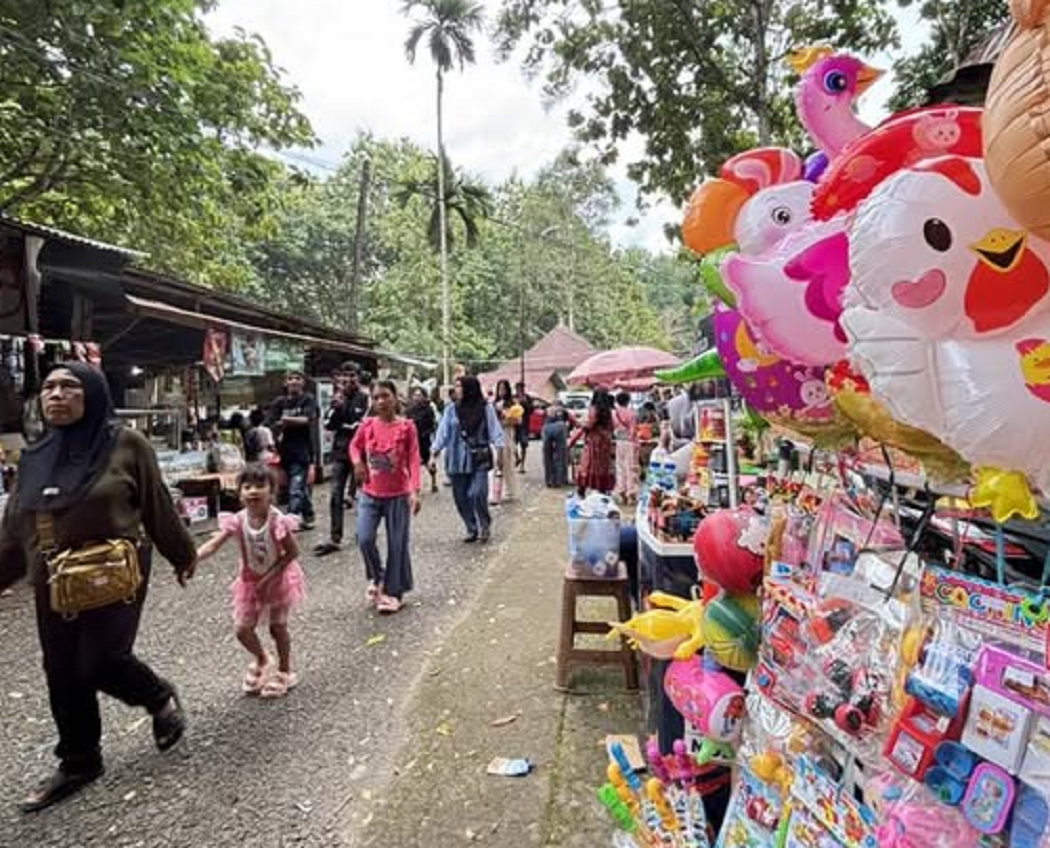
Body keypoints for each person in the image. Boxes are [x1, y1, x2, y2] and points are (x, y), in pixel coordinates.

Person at [0, 363, 195, 812]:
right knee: (62, 669)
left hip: (115, 568)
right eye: (49, 388)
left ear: (91, 393)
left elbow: (156, 503)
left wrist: (181, 552)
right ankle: (79, 760)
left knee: (100, 660)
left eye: (70, 387)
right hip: (54, 576)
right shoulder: (35, 456)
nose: (56, 395)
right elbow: (15, 529)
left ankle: (158, 696)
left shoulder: (127, 444)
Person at [195, 463, 305, 698]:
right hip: (250, 582)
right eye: (247, 486)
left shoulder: (277, 521)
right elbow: (214, 545)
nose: (253, 491)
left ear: (272, 491)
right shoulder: (237, 520)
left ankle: (285, 671)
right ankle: (262, 658)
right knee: (242, 630)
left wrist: (271, 575)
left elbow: (293, 553)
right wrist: (191, 559)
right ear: (239, 493)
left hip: (278, 581)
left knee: (278, 628)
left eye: (260, 486)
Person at [350, 381, 421, 614]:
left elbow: (413, 459)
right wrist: (358, 462)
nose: (381, 401)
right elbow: (354, 446)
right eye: (376, 397)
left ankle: (394, 591)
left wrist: (414, 491)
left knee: (397, 544)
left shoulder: (407, 427)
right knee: (364, 537)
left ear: (395, 398)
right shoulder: (367, 425)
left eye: (385, 396)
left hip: (397, 495)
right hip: (370, 493)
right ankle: (377, 575)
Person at [431, 375, 504, 543]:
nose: (456, 389)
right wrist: (434, 452)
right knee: (461, 497)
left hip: (479, 456)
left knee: (477, 493)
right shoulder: (451, 409)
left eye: (459, 386)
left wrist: (500, 453)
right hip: (456, 458)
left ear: (469, 388)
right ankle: (471, 527)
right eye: (456, 386)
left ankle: (484, 524)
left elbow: (495, 431)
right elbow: (443, 432)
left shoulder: (486, 408)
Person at [315, 363, 370, 556]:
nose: (347, 380)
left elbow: (360, 425)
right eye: (344, 376)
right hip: (339, 453)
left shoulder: (365, 399)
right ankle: (335, 537)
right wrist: (337, 409)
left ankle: (364, 530)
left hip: (360, 455)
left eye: (352, 376)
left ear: (357, 377)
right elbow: (329, 425)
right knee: (335, 494)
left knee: (364, 495)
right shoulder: (336, 400)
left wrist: (344, 424)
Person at [268, 371, 318, 530]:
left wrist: (285, 421)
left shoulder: (308, 399)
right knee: (297, 487)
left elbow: (307, 419)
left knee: (295, 488)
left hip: (302, 452)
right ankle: (309, 515)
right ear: (285, 383)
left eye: (297, 378)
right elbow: (269, 423)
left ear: (303, 382)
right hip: (283, 453)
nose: (294, 381)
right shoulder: (279, 402)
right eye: (290, 378)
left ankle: (290, 521)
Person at [569, 389, 615, 497]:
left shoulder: (594, 409)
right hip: (605, 442)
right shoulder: (608, 411)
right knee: (602, 466)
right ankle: (602, 491)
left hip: (594, 442)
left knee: (587, 465)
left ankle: (581, 492)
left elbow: (589, 425)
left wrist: (580, 424)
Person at [406, 386, 439, 493]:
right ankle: (414, 485)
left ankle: (434, 482)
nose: (417, 397)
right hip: (412, 439)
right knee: (412, 463)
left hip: (424, 440)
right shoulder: (409, 409)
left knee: (428, 463)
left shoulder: (428, 409)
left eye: (419, 395)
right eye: (415, 395)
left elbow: (432, 425)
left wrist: (427, 435)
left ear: (424, 396)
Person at [492, 380, 520, 502]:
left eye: (504, 388)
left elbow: (517, 421)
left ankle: (510, 491)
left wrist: (506, 418)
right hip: (496, 437)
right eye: (500, 389)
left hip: (508, 435)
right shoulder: (493, 404)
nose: (501, 391)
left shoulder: (513, 404)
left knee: (508, 463)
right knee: (496, 464)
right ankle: (496, 491)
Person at [613, 392, 640, 504]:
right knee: (631, 467)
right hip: (629, 441)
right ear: (628, 401)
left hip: (619, 441)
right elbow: (633, 431)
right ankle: (631, 493)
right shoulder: (632, 413)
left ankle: (621, 490)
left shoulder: (614, 414)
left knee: (620, 467)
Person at [541, 398, 572, 487]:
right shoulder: (563, 411)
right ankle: (559, 480)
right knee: (560, 455)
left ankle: (549, 480)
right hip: (560, 427)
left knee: (547, 456)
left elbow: (543, 420)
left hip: (547, 429)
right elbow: (571, 422)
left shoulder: (547, 410)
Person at [513, 381, 533, 473]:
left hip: (524, 425)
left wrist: (525, 403)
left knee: (523, 445)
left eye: (521, 388)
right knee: (512, 444)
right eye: (518, 388)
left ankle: (522, 466)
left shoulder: (527, 398)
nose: (519, 390)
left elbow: (531, 410)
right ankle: (517, 458)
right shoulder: (513, 397)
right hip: (514, 424)